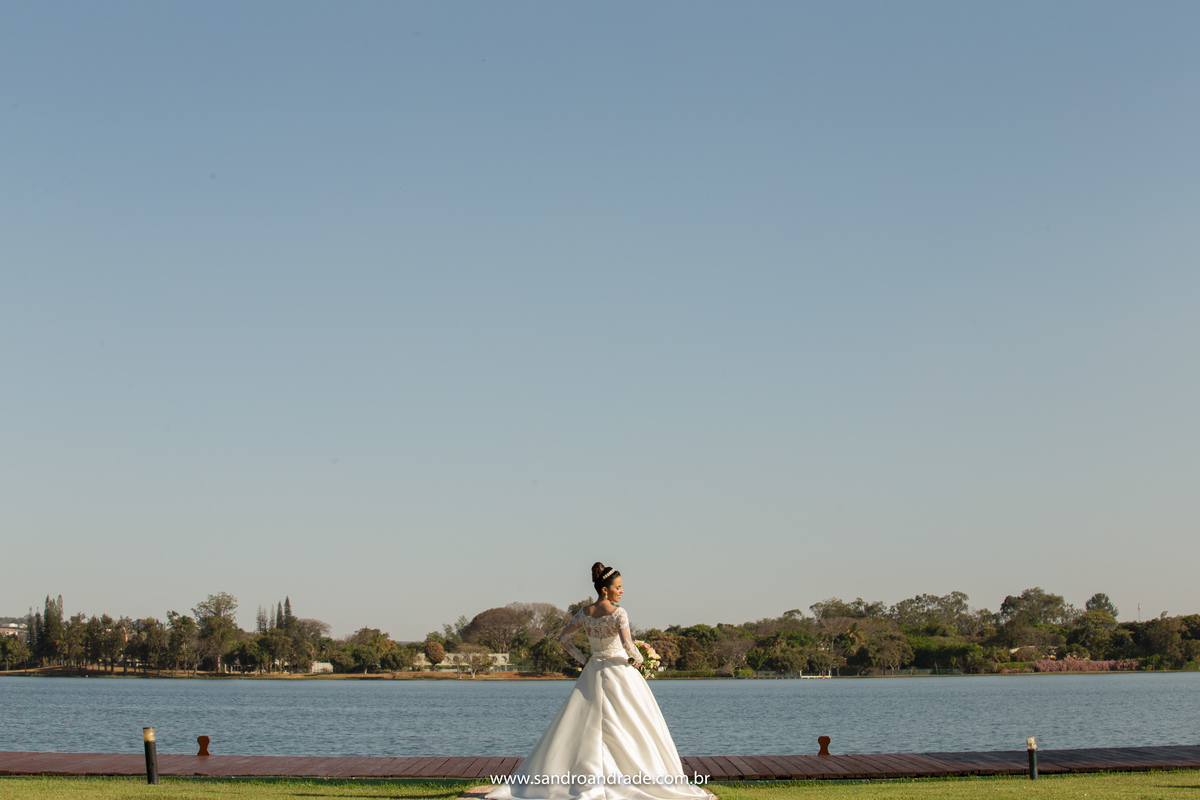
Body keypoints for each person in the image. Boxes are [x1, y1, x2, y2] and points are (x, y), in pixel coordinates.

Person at [486, 562, 712, 800]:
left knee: (585, 723)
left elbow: (564, 639)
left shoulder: (584, 613)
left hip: (593, 671)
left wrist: (584, 659)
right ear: (605, 589)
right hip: (619, 670)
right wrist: (638, 660)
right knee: (632, 722)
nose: (622, 591)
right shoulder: (619, 613)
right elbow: (627, 644)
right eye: (619, 587)